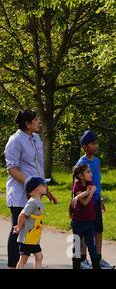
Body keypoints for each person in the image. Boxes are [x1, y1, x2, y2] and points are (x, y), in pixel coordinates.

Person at [4, 109, 57, 269]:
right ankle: (13, 266)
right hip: (20, 194)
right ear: (28, 124)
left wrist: (46, 191)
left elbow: (38, 169)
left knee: (31, 229)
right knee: (18, 229)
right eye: (36, 119)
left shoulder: (36, 138)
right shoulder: (15, 140)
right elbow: (11, 169)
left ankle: (23, 263)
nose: (39, 121)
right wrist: (31, 184)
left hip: (35, 194)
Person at [76, 129, 115, 269]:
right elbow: (77, 186)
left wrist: (101, 198)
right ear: (85, 147)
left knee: (98, 230)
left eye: (96, 143)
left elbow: (98, 182)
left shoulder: (97, 161)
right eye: (93, 143)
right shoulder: (81, 163)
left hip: (96, 200)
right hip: (86, 202)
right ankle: (82, 259)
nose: (96, 146)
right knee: (86, 232)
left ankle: (97, 259)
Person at [13, 176, 49, 269]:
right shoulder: (32, 202)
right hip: (27, 237)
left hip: (33, 237)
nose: (46, 186)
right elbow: (22, 215)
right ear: (36, 189)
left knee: (39, 257)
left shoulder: (38, 201)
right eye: (43, 185)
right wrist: (19, 227)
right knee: (24, 259)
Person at [70, 164, 101, 269]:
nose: (91, 174)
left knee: (92, 246)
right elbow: (85, 202)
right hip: (78, 221)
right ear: (80, 175)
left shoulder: (89, 183)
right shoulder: (77, 185)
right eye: (88, 172)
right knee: (77, 246)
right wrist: (90, 192)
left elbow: (89, 191)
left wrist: (79, 196)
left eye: (90, 171)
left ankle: (96, 266)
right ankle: (76, 266)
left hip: (89, 221)